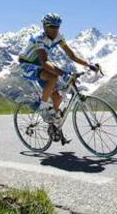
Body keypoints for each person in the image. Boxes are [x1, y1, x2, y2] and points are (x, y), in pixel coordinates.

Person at [19, 13, 100, 142]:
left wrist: (88, 64)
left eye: (57, 26)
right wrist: (64, 74)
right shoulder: (38, 38)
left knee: (57, 98)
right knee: (53, 77)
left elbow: (71, 55)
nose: (55, 29)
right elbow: (44, 62)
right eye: (52, 27)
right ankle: (43, 108)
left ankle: (54, 128)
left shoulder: (58, 37)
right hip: (27, 65)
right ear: (45, 27)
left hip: (40, 66)